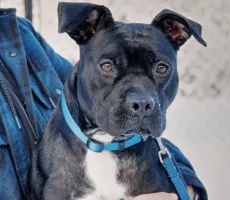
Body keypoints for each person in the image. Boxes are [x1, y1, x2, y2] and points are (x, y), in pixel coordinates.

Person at [0, 8, 207, 200]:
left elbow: (156, 142)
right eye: (108, 66)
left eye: (160, 69)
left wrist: (181, 191)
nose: (141, 99)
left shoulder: (14, 34)